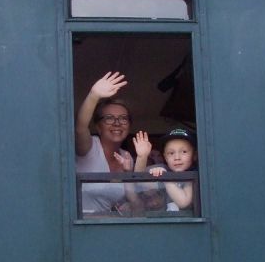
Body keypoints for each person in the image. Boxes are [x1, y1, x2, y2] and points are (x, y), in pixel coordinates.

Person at [75, 72, 136, 216]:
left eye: (123, 118)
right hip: (82, 224)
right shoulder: (90, 147)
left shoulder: (127, 157)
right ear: (98, 126)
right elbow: (80, 128)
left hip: (109, 224)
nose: (117, 123)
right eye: (109, 118)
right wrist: (94, 95)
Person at [147, 127, 198, 213]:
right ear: (165, 157)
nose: (177, 157)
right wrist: (142, 157)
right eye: (171, 153)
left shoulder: (192, 176)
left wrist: (166, 177)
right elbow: (138, 184)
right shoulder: (163, 168)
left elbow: (183, 202)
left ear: (194, 155)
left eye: (184, 152)